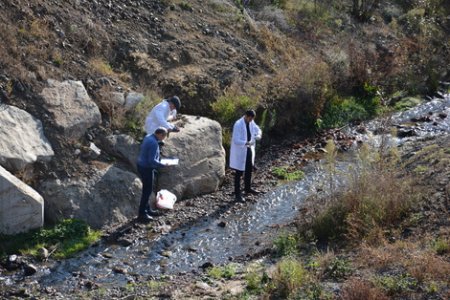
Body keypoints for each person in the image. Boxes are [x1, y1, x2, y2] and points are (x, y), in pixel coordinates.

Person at [136, 127, 170, 222]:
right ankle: (142, 214)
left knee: (147, 189)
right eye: (164, 136)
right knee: (147, 191)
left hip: (141, 165)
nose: (164, 139)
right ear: (160, 135)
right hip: (146, 168)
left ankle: (148, 210)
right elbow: (151, 161)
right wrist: (163, 165)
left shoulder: (148, 136)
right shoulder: (154, 143)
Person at [229, 110, 262, 202]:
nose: (251, 121)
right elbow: (236, 140)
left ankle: (248, 188)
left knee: (249, 169)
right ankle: (237, 194)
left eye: (252, 119)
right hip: (240, 150)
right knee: (239, 173)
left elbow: (257, 129)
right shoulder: (238, 124)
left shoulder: (251, 122)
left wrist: (259, 134)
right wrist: (246, 143)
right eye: (250, 119)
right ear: (246, 116)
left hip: (249, 149)